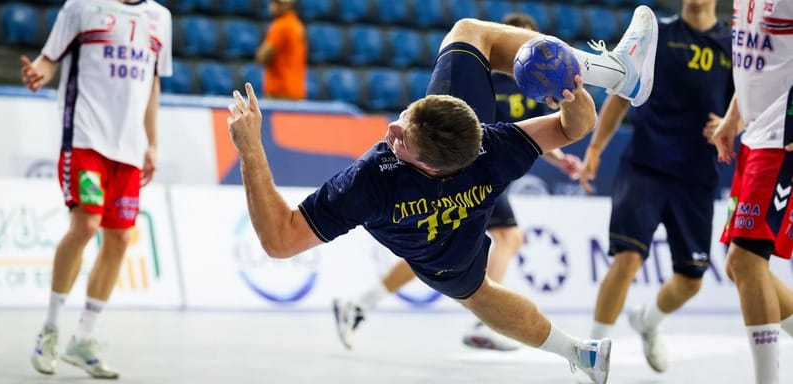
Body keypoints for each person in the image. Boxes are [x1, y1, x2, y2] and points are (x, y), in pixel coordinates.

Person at [227, 6, 659, 383]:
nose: (391, 130)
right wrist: (573, 91)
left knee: (482, 295)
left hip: (438, 257)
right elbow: (575, 127)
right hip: (458, 232)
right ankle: (615, 73)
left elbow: (279, 241)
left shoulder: (373, 180)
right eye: (405, 118)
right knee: (485, 294)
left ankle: (575, 353)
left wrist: (250, 149)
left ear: (428, 163)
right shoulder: (494, 147)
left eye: (401, 139)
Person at [331, 12, 584, 353]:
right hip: (467, 166)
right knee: (501, 238)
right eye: (515, 38)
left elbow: (525, 130)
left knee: (442, 248)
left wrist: (559, 158)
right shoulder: (488, 78)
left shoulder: (533, 82)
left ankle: (360, 304)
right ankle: (484, 322)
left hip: (483, 167)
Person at [578, 0, 733, 373]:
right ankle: (592, 358)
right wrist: (596, 147)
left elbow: (746, 104)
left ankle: (647, 321)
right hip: (646, 164)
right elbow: (620, 92)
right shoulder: (656, 32)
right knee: (628, 258)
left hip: (697, 175)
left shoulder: (734, 43)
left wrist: (730, 125)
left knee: (691, 280)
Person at [22, 0, 172, 379]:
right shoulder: (81, 7)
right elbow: (48, 58)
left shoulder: (160, 18)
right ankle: (51, 329)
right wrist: (38, 73)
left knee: (120, 239)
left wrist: (151, 142)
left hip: (130, 147)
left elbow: (152, 82)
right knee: (86, 226)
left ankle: (84, 337)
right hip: (86, 138)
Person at [710, 0, 793, 382]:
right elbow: (752, 64)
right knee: (738, 265)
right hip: (755, 138)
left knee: (746, 261)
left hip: (781, 141)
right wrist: (732, 118)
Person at [255, 0, 306, 100]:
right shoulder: (297, 24)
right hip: (296, 92)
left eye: (278, 3)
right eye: (274, 2)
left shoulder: (281, 25)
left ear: (288, 5)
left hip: (279, 93)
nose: (273, 6)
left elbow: (261, 57)